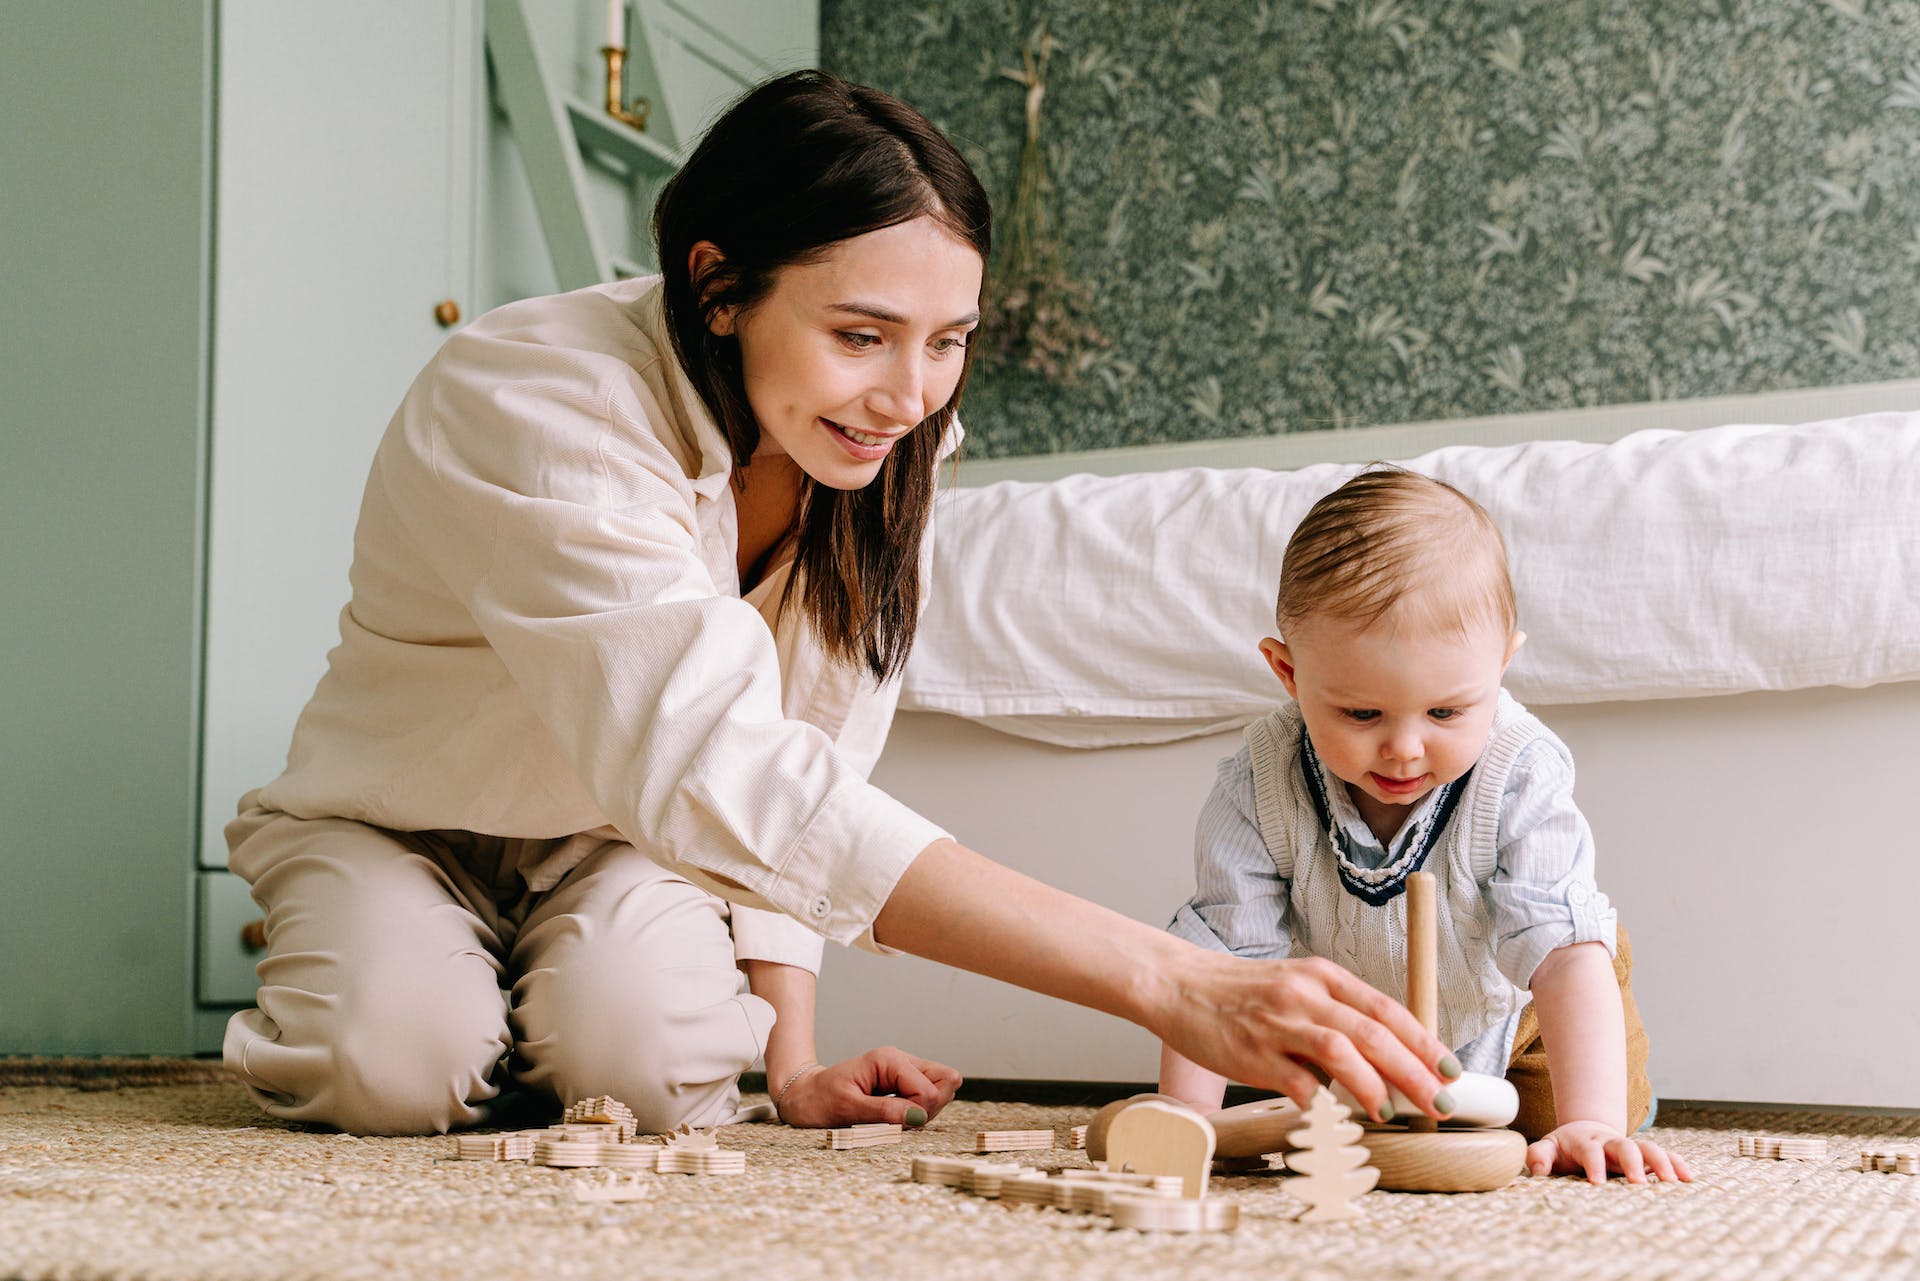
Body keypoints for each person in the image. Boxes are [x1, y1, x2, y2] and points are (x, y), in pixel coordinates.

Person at [221, 70, 1457, 1139]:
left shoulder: (883, 445)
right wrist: (1172, 981)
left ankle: (534, 1010)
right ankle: (426, 985)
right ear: (718, 284)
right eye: (862, 335)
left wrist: (792, 1062)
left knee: (648, 1074)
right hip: (397, 820)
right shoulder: (542, 402)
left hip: (617, 843)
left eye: (947, 339)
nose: (908, 394)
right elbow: (721, 764)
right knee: (389, 1064)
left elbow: (808, 752)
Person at [1158, 468, 1694, 1184]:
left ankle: (1601, 1104)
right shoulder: (1259, 783)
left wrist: (1590, 1120)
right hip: (1360, 1028)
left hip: (1523, 1004)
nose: (1405, 747)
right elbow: (1218, 969)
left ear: (1501, 664)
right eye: (1362, 713)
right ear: (1288, 673)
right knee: (1296, 1111)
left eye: (1445, 712)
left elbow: (1561, 954)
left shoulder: (1522, 769)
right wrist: (1184, 1124)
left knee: (1556, 1129)